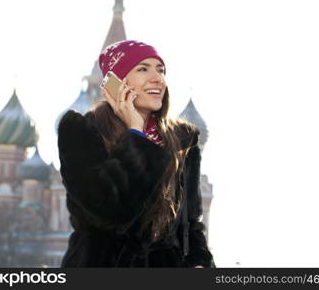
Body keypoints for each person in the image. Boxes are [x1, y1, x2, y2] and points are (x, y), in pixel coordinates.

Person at [58, 40, 215, 267]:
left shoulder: (181, 141)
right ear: (115, 82)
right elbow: (108, 213)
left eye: (160, 70)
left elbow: (190, 225)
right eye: (143, 69)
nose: (157, 78)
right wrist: (135, 136)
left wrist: (200, 263)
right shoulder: (81, 131)